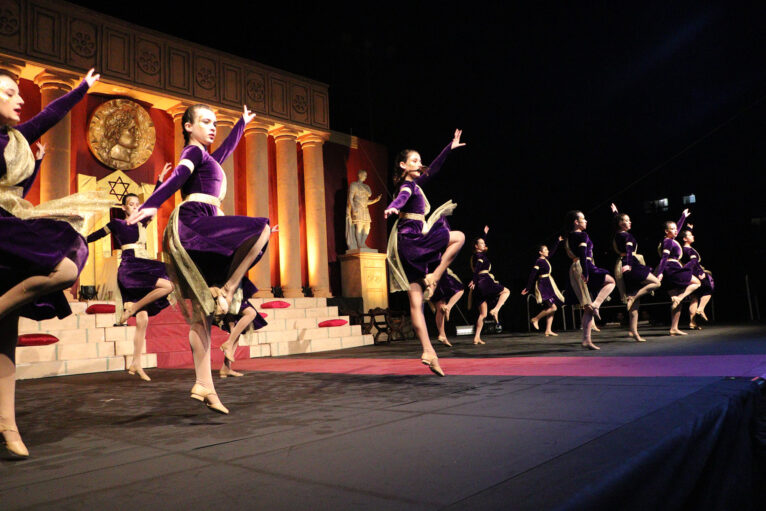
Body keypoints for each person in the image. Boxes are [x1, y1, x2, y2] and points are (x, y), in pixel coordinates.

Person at [127, 103, 270, 414]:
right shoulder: (192, 154)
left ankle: (204, 384)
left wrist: (242, 123)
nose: (212, 126)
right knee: (261, 229)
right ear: (188, 127)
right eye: (205, 122)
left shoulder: (208, 158)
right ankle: (230, 288)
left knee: (201, 315)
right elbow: (178, 177)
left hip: (201, 224)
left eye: (215, 122)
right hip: (194, 222)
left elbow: (226, 151)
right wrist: (153, 203)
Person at [0, 68, 100, 459]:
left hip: (11, 225)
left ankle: (7, 423)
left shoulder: (19, 138)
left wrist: (83, 88)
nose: (19, 99)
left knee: (8, 333)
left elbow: (52, 114)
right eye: (9, 93)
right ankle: (7, 426)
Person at [384, 129, 466, 376]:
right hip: (413, 240)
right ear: (402, 165)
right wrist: (391, 207)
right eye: (414, 161)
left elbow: (434, 169)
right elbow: (402, 197)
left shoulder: (415, 183)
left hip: (408, 242)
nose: (420, 164)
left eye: (420, 160)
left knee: (416, 302)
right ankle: (436, 275)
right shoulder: (408, 186)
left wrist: (449, 148)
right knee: (459, 237)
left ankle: (429, 352)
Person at [85, 170, 175, 381]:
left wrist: (160, 180)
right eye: (131, 204)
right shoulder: (116, 224)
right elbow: (95, 236)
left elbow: (156, 202)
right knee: (168, 286)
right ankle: (133, 307)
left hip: (144, 264)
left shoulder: (143, 222)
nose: (136, 206)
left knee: (142, 320)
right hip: (129, 266)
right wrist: (76, 240)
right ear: (124, 207)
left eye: (137, 203)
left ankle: (136, 362)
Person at [564, 210, 616, 350]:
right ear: (576, 222)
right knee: (611, 281)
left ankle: (586, 340)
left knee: (587, 306)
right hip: (584, 265)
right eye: (583, 219)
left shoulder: (570, 236)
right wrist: (586, 272)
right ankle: (597, 305)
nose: (586, 221)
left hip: (577, 267)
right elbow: (582, 253)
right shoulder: (581, 234)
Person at [610, 204, 661, 342]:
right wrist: (628, 265)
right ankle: (632, 297)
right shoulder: (627, 236)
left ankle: (634, 332)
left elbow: (617, 220)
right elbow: (628, 250)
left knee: (635, 305)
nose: (629, 222)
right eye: (626, 220)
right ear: (620, 223)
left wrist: (615, 212)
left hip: (625, 263)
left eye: (629, 220)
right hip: (631, 264)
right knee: (656, 282)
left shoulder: (618, 234)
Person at [653, 209, 701, 336]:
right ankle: (679, 298)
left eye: (675, 229)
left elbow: (677, 229)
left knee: (676, 302)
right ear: (666, 231)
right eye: (672, 229)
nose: (676, 231)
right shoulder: (668, 241)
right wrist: (660, 273)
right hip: (671, 268)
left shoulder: (670, 238)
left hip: (670, 269)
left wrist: (683, 216)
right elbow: (663, 258)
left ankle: (673, 328)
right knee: (696, 282)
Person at [469, 226, 510, 345]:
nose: (483, 244)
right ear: (476, 246)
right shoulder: (480, 256)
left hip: (479, 285)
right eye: (481, 243)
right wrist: (474, 280)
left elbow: (476, 268)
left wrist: (484, 234)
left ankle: (476, 337)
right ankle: (496, 310)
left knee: (483, 314)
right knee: (506, 291)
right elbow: (477, 269)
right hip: (484, 281)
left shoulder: (477, 255)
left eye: (484, 243)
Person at [521, 237, 564, 337]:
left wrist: (557, 241)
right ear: (540, 252)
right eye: (545, 250)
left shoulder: (545, 259)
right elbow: (532, 274)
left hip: (549, 283)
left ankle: (548, 330)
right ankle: (535, 319)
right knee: (553, 307)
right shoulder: (538, 261)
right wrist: (527, 288)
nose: (547, 251)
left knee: (553, 306)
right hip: (544, 285)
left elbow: (552, 252)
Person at [681, 227, 713, 330]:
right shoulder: (689, 250)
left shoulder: (682, 250)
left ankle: (692, 322)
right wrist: (700, 271)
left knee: (694, 297)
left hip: (688, 274)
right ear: (685, 239)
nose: (693, 236)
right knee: (709, 288)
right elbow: (694, 262)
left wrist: (688, 228)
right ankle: (701, 309)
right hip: (695, 272)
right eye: (690, 235)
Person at [345, 169, 381, 250]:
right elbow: (350, 197)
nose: (366, 177)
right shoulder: (354, 185)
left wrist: (375, 200)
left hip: (365, 209)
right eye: (364, 175)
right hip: (357, 208)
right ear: (359, 175)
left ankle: (362, 243)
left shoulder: (366, 187)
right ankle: (360, 245)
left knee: (367, 227)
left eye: (366, 175)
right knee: (359, 227)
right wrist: (353, 208)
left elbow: (366, 201)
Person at [428, 269, 464, 347]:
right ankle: (448, 307)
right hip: (438, 273)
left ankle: (442, 335)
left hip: (430, 276)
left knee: (440, 307)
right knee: (460, 289)